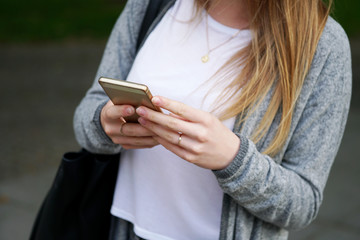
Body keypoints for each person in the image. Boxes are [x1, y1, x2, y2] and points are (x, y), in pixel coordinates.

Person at [73, 0, 352, 239]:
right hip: (126, 231)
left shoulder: (323, 44)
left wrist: (234, 159)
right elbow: (88, 113)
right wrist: (103, 125)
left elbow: (303, 204)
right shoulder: (151, 4)